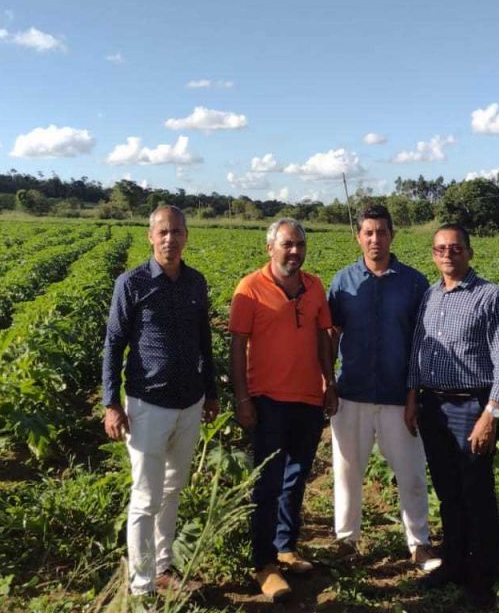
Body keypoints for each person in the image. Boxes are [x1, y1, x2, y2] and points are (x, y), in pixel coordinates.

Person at [101, 205, 220, 597]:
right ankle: (140, 586)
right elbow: (113, 344)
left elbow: (205, 340)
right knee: (146, 496)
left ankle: (163, 567)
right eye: (163, 232)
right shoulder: (132, 283)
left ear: (187, 236)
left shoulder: (196, 283)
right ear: (151, 236)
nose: (170, 239)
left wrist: (212, 393)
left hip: (189, 403)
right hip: (147, 405)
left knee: (172, 489)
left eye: (177, 232)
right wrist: (110, 402)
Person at [405, 224, 499, 608]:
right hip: (432, 406)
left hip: (472, 406)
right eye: (440, 249)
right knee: (447, 489)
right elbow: (417, 352)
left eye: (455, 249)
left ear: (469, 252)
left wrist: (491, 413)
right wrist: (412, 397)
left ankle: (483, 573)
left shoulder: (492, 297)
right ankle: (454, 562)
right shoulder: (429, 296)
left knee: (476, 491)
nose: (447, 255)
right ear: (433, 254)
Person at [229, 218, 338, 602]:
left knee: (296, 477)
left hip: (308, 398)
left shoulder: (314, 286)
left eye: (300, 245)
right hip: (268, 400)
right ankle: (264, 564)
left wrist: (330, 381)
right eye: (287, 245)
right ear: (270, 248)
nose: (295, 252)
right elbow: (237, 348)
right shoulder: (250, 288)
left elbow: (324, 337)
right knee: (269, 482)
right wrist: (242, 398)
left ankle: (286, 547)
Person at [327, 205, 439, 569]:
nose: (375, 239)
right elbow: (332, 335)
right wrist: (326, 382)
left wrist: (413, 396)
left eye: (382, 232)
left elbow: (421, 343)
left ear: (393, 235)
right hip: (351, 393)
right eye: (368, 232)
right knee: (347, 472)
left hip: (396, 396)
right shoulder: (343, 282)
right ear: (358, 236)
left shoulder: (414, 283)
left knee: (411, 474)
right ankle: (347, 541)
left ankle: (419, 543)